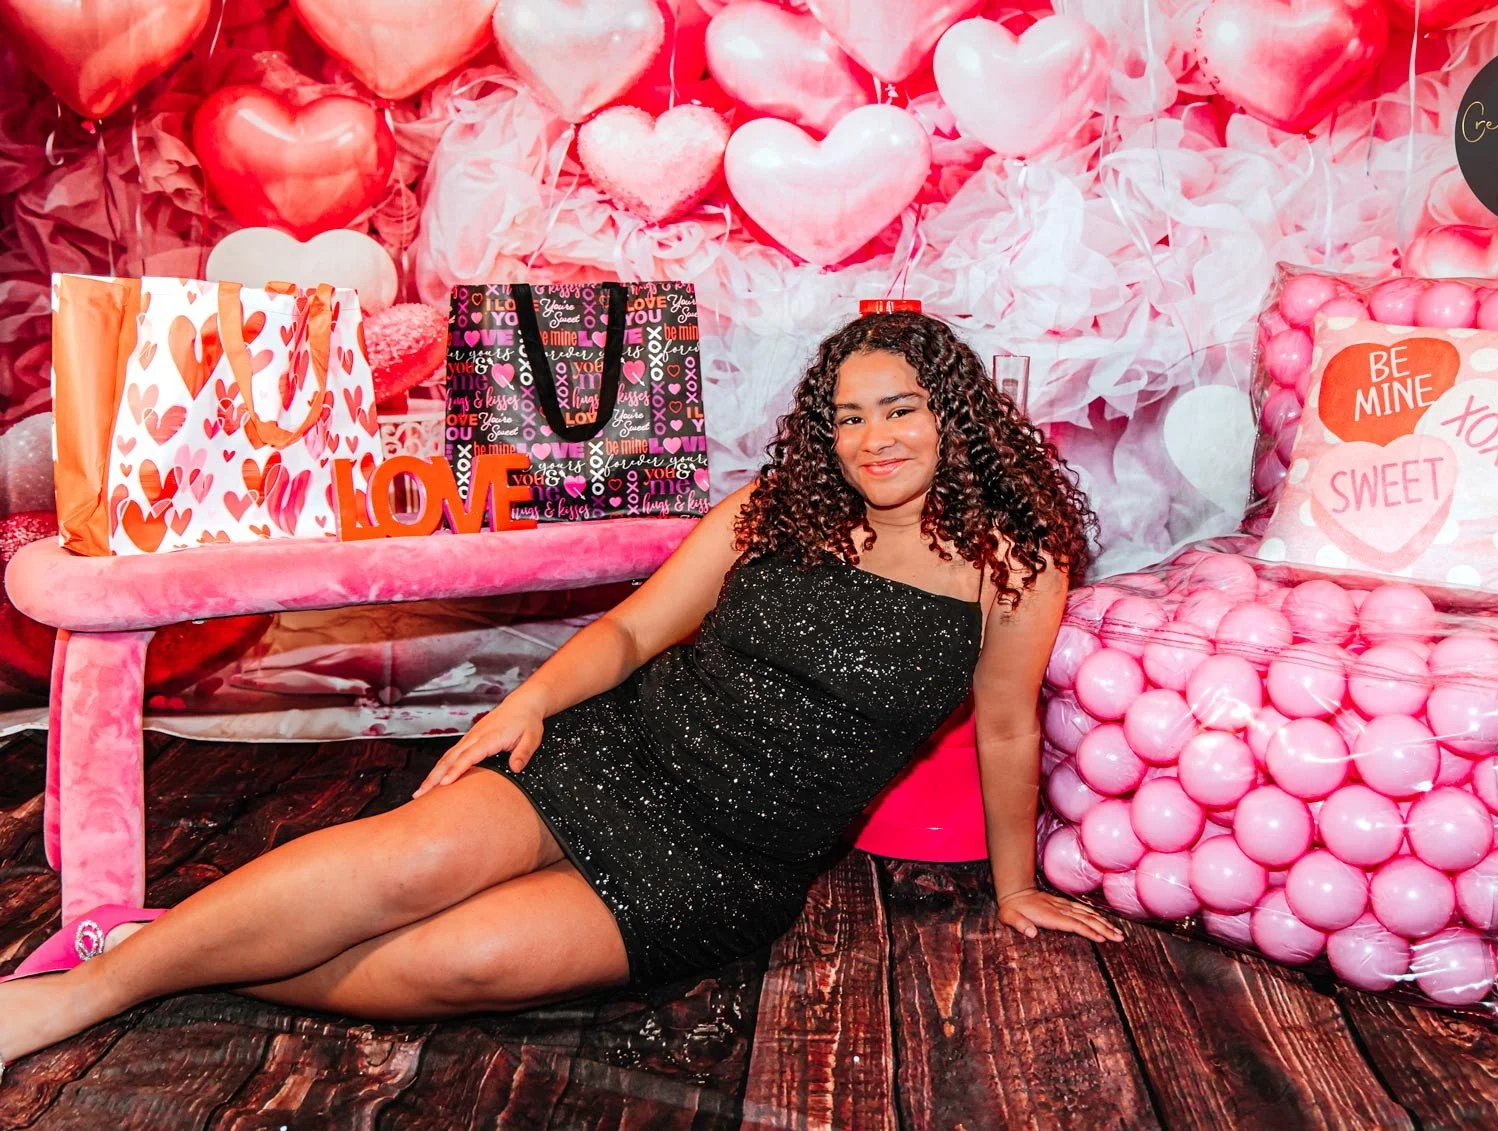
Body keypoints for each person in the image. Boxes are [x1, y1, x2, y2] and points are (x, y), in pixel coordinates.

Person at [0, 311, 1120, 1077]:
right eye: (848, 415)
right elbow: (634, 629)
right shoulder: (774, 509)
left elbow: (1011, 726)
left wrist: (1014, 888)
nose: (873, 438)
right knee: (410, 863)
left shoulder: (1012, 565)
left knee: (468, 962)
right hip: (617, 750)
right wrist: (519, 706)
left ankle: (176, 958)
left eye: (901, 408)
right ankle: (85, 993)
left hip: (731, 862)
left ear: (955, 414)